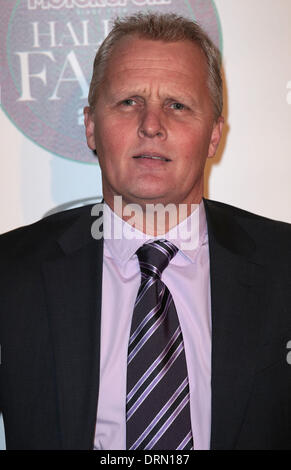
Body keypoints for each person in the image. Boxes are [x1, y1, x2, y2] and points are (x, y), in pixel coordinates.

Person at [0, 12, 291, 451]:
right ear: (91, 126)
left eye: (178, 105)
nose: (152, 125)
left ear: (213, 136)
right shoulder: (9, 273)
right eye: (129, 102)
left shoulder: (284, 266)